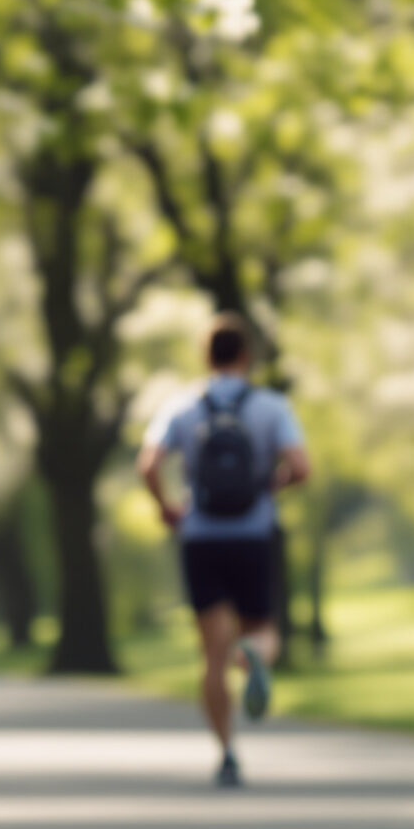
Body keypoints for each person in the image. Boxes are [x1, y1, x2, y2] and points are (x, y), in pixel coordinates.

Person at [138, 316, 310, 788]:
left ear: (205, 355)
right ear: (246, 355)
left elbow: (148, 464)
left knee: (211, 654)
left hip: (201, 537)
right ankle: (253, 654)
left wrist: (167, 507)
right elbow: (301, 467)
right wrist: (268, 488)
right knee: (263, 628)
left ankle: (227, 752)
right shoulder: (271, 406)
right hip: (254, 534)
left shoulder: (182, 406)